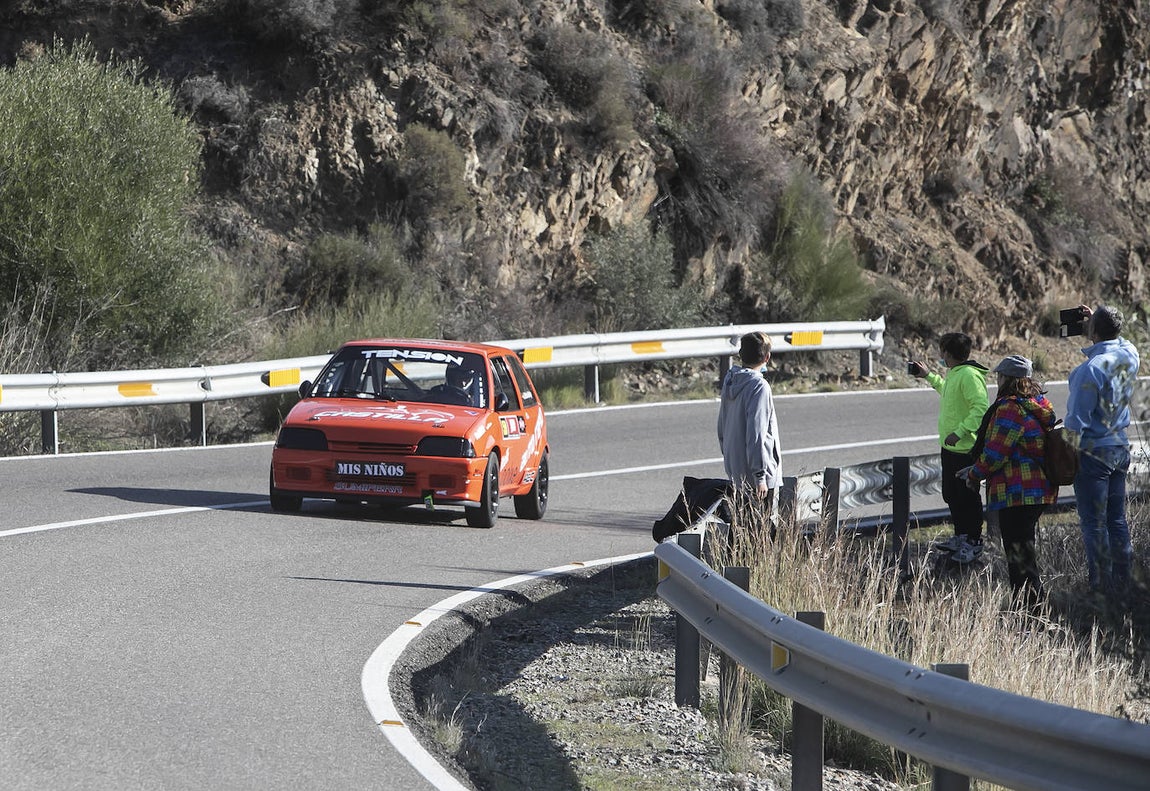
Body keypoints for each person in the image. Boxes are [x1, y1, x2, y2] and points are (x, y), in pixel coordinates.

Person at [960, 355, 1058, 615]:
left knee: (1019, 557)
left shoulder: (1009, 408)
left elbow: (996, 453)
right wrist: (975, 469)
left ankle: (1031, 611)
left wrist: (974, 475)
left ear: (1006, 379)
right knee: (1023, 552)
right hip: (1037, 489)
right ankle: (1028, 607)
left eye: (999, 376)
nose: (997, 380)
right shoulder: (1038, 403)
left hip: (1017, 491)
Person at [1064, 304, 1140, 601]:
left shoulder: (1090, 369)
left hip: (1094, 452)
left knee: (1094, 525)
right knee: (1116, 520)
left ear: (1093, 330)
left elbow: (1077, 420)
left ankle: (1101, 588)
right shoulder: (1129, 356)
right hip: (1119, 446)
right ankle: (1123, 583)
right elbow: (1121, 337)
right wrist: (1097, 319)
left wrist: (1066, 451)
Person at [910, 332, 989, 564]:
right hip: (950, 448)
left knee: (967, 497)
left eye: (942, 350)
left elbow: (980, 408)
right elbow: (948, 392)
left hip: (965, 449)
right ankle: (961, 536)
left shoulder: (969, 376)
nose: (940, 354)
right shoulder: (955, 373)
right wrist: (929, 377)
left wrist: (961, 432)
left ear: (947, 352)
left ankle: (973, 542)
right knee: (952, 494)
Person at [717, 331, 782, 500]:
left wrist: (731, 460)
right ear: (767, 357)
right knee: (762, 524)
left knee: (741, 523)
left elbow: (722, 425)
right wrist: (760, 476)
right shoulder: (759, 386)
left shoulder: (730, 379)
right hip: (758, 478)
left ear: (740, 355)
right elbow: (757, 434)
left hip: (736, 471)